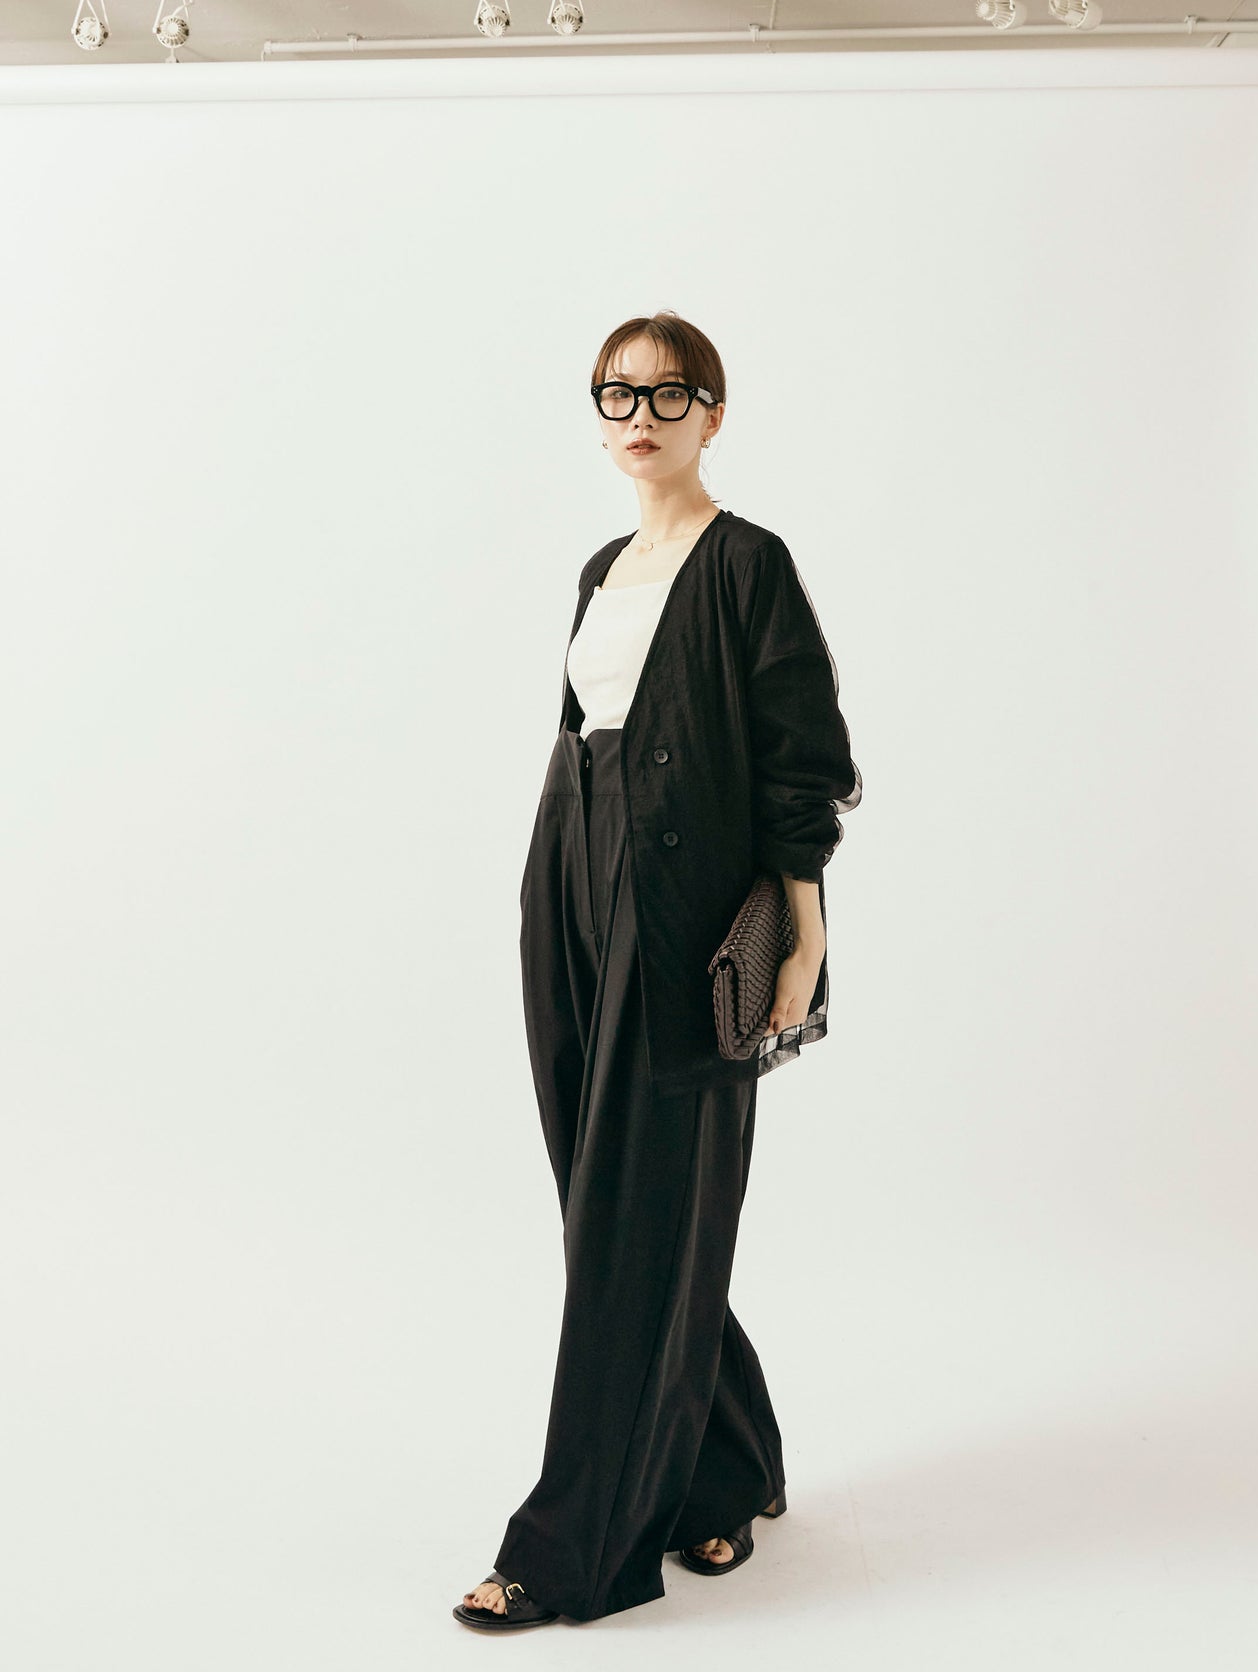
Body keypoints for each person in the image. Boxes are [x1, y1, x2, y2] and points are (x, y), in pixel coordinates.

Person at [455, 311, 861, 1631]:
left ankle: (573, 1548)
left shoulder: (747, 562)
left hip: (684, 911)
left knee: (641, 1212)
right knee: (614, 1207)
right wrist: (562, 885)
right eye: (617, 395)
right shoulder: (602, 568)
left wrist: (799, 924)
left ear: (713, 415)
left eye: (669, 394)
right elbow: (587, 733)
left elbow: (801, 753)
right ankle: (726, 1470)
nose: (640, 416)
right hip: (571, 883)